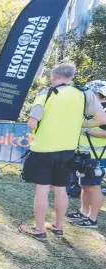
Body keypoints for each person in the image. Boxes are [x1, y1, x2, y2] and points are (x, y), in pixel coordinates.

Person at [20, 64, 106, 239]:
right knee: (60, 189)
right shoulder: (84, 93)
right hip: (68, 150)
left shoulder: (46, 93)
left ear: (53, 76)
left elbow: (32, 123)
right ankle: (58, 227)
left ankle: (39, 229)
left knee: (42, 190)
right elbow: (101, 118)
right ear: (71, 77)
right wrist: (80, 124)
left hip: (43, 149)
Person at [66, 80, 106, 229]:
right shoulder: (92, 111)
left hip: (98, 157)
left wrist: (88, 131)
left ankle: (92, 218)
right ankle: (83, 213)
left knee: (94, 186)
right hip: (84, 155)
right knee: (85, 186)